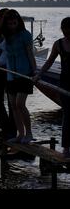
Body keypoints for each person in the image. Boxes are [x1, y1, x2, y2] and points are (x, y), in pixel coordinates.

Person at [35, 17, 70, 157]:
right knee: (67, 115)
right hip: (65, 82)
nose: (68, 32)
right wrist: (39, 74)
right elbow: (49, 61)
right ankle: (66, 148)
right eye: (65, 29)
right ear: (62, 29)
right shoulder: (58, 44)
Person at [2, 10, 36, 144]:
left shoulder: (25, 35)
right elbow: (2, 52)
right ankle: (20, 134)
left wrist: (35, 71)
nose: (12, 25)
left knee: (20, 104)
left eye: (14, 22)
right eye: (9, 23)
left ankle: (29, 133)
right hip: (11, 75)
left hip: (24, 73)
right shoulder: (6, 36)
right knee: (13, 105)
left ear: (18, 22)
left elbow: (30, 54)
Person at [0, 9, 17, 138]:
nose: (2, 21)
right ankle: (5, 125)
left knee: (12, 101)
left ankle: (12, 129)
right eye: (1, 18)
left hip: (10, 70)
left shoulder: (13, 33)